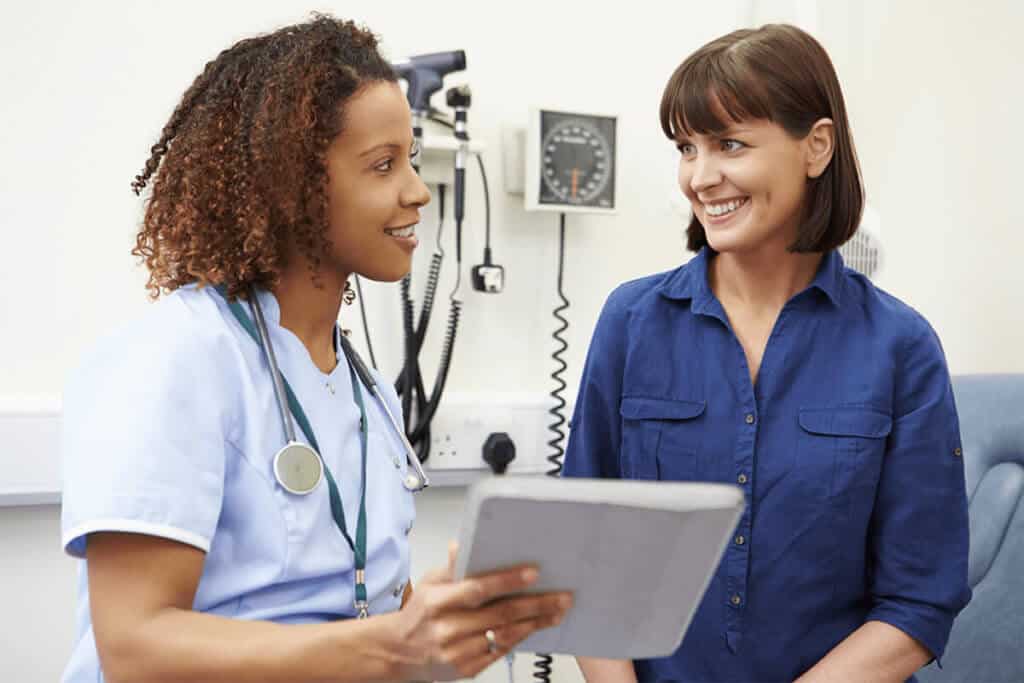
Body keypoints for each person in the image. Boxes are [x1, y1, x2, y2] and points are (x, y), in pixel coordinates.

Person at [59, 15, 570, 683]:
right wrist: (394, 645)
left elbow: (366, 619)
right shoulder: (174, 359)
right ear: (289, 185)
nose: (416, 191)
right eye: (383, 165)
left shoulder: (362, 388)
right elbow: (136, 645)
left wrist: (450, 626)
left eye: (410, 160)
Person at [563, 23, 970, 683]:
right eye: (686, 147)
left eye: (730, 144)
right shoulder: (631, 324)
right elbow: (583, 561)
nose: (700, 176)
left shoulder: (901, 346)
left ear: (816, 146)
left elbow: (920, 600)